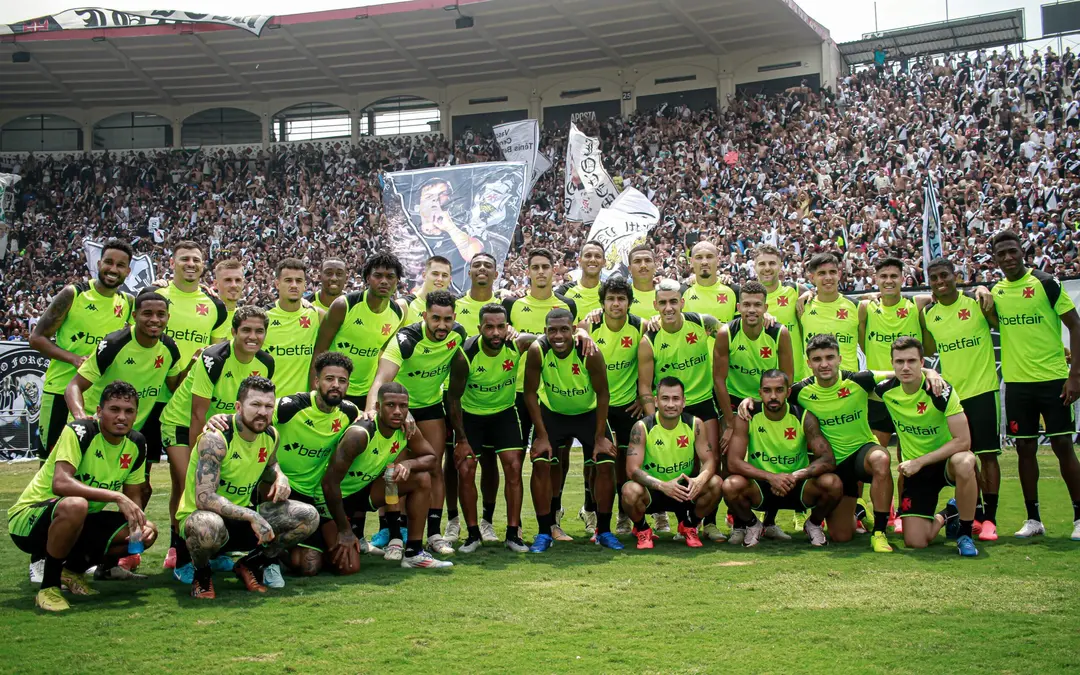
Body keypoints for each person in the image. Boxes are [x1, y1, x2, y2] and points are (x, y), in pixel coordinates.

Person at [739, 334, 945, 552]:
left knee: (881, 458)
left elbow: (902, 371)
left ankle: (879, 532)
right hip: (832, 465)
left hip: (861, 454)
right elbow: (773, 399)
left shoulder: (859, 380)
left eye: (830, 357)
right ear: (809, 364)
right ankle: (846, 514)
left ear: (839, 358)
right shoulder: (800, 391)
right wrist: (750, 401)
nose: (824, 364)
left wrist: (930, 371)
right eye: (817, 359)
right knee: (841, 536)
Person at [7, 382, 158, 611]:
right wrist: (115, 496)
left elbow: (133, 495)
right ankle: (48, 588)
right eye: (114, 409)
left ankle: (73, 571)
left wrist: (139, 525)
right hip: (29, 520)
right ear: (99, 412)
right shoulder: (80, 431)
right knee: (76, 505)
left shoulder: (136, 443)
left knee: (148, 531)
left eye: (129, 411)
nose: (121, 417)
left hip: (80, 521)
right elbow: (61, 482)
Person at [176, 376, 320, 599]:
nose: (262, 412)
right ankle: (202, 574)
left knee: (308, 516)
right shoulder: (216, 438)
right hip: (205, 518)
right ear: (238, 406)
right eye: (255, 405)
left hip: (243, 519)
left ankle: (250, 564)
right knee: (206, 526)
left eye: (268, 406)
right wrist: (252, 515)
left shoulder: (271, 435)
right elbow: (204, 497)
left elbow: (270, 464)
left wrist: (280, 476)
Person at [161, 306, 276, 582]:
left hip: (225, 428)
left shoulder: (266, 362)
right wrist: (196, 462)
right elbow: (197, 413)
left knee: (218, 487)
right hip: (182, 423)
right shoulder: (214, 358)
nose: (253, 336)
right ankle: (180, 552)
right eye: (246, 330)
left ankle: (217, 547)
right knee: (185, 484)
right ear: (233, 332)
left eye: (259, 331)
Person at [989, 230, 1080, 540]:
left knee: (1063, 447)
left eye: (1012, 251)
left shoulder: (1046, 283)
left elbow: (1075, 325)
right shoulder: (997, 292)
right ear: (995, 259)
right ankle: (1033, 519)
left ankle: (1079, 518)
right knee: (1024, 449)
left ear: (1021, 251)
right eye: (1001, 254)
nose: (1008, 258)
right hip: (1016, 384)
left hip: (1054, 380)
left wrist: (1075, 376)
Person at [367, 290, 468, 555]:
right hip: (399, 411)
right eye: (435, 318)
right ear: (424, 316)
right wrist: (372, 410)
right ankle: (395, 537)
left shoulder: (458, 335)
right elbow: (381, 379)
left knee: (434, 467)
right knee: (394, 472)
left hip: (431, 407)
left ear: (454, 318)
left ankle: (434, 534)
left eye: (447, 319)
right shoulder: (405, 339)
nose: (442, 325)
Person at [65, 291, 185, 511]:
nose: (154, 320)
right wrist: (81, 418)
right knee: (79, 493)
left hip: (130, 433)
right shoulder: (114, 343)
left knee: (142, 489)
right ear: (135, 314)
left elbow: (174, 386)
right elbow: (73, 386)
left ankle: (129, 535)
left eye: (161, 314)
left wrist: (191, 367)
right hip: (94, 429)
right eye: (147, 313)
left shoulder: (170, 348)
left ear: (168, 317)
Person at [322, 382, 453, 569]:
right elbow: (329, 484)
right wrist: (344, 530)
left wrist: (408, 464)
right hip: (333, 500)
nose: (398, 411)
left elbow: (431, 458)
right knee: (342, 567)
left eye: (403, 406)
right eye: (391, 405)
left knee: (421, 478)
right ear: (377, 407)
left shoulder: (405, 429)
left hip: (364, 493)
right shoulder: (360, 434)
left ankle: (414, 553)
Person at [154, 241, 229, 569]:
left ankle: (185, 546)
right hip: (154, 397)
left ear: (203, 266)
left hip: (195, 399)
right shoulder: (157, 297)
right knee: (147, 481)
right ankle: (133, 548)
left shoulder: (213, 306)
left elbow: (217, 355)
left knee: (191, 481)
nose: (190, 264)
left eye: (196, 260)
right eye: (183, 258)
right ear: (171, 263)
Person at [524, 308, 621, 552]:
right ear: (545, 331)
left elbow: (603, 394)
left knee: (606, 462)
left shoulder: (589, 351)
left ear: (573, 330)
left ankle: (604, 531)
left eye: (564, 329)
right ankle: (544, 532)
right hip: (553, 414)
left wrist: (599, 437)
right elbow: (529, 393)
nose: (558, 335)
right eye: (552, 330)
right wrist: (542, 436)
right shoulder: (538, 351)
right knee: (541, 462)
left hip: (587, 414)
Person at [921, 257, 1002, 541]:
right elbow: (929, 347)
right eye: (934, 278)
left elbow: (999, 323)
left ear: (956, 276)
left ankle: (990, 519)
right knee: (963, 458)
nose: (941, 282)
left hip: (982, 390)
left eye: (945, 275)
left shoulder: (976, 303)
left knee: (988, 455)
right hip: (953, 398)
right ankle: (973, 513)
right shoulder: (929, 314)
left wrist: (981, 288)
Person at [875, 337, 980, 556]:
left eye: (912, 361)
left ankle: (965, 534)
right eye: (899, 361)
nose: (905, 367)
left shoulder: (941, 391)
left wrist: (919, 461)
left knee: (965, 460)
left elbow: (963, 441)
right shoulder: (885, 390)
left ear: (922, 362)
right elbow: (851, 377)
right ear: (891, 364)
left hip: (945, 462)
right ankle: (949, 512)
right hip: (919, 472)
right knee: (916, 542)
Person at [31, 238, 134, 458]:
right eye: (108, 262)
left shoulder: (127, 303)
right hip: (61, 389)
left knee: (87, 462)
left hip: (99, 397)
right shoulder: (74, 294)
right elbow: (37, 338)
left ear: (128, 270)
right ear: (99, 264)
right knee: (50, 462)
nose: (113, 269)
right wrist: (74, 359)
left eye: (120, 265)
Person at [637, 278, 722, 539]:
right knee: (672, 461)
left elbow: (732, 333)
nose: (669, 307)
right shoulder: (648, 338)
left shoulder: (702, 322)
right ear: (655, 305)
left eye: (674, 301)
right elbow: (644, 387)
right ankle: (674, 516)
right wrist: (654, 423)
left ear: (682, 302)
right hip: (669, 408)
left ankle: (707, 523)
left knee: (710, 465)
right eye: (662, 303)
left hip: (702, 402)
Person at [447, 303, 535, 552]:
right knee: (466, 469)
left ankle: (512, 534)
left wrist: (581, 334)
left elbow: (545, 339)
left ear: (507, 327)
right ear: (479, 328)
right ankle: (473, 535)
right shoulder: (465, 354)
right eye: (489, 327)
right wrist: (461, 438)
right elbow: (453, 398)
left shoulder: (516, 344)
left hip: (505, 414)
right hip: (471, 417)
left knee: (514, 467)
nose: (496, 333)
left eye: (500, 326)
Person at [502, 248, 577, 538]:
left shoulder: (566, 304)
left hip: (552, 395)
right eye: (536, 267)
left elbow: (575, 335)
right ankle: (515, 524)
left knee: (555, 459)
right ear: (528, 271)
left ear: (553, 269)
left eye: (546, 266)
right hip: (517, 393)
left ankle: (552, 521)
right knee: (516, 461)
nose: (541, 271)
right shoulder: (513, 305)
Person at [723, 370, 842, 547]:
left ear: (788, 392)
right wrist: (771, 477)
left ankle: (814, 524)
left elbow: (827, 459)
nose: (773, 396)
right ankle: (753, 525)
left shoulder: (803, 417)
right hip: (762, 486)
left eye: (779, 390)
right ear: (760, 393)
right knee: (730, 485)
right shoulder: (748, 416)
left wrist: (795, 476)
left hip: (796, 484)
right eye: (767, 390)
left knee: (833, 483)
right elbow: (733, 462)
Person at [271, 351, 361, 578]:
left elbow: (375, 420)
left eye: (342, 381)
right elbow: (252, 418)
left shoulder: (349, 413)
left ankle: (314, 545)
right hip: (282, 494)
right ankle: (271, 554)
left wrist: (406, 418)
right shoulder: (289, 407)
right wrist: (219, 420)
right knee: (307, 566)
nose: (336, 385)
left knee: (348, 567)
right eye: (329, 379)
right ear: (316, 381)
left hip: (319, 499)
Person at [443, 252, 504, 545]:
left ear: (496, 273)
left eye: (487, 265)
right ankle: (453, 520)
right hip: (454, 395)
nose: (482, 269)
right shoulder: (457, 306)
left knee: (490, 459)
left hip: (498, 393)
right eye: (476, 265)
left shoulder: (507, 305)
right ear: (469, 272)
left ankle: (487, 521)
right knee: (453, 460)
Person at [621, 376, 722, 549]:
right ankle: (642, 529)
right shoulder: (642, 427)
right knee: (629, 490)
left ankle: (689, 526)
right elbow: (632, 470)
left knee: (716, 483)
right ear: (656, 401)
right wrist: (662, 485)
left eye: (676, 399)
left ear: (683, 402)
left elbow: (709, 461)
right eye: (665, 398)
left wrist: (700, 479)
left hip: (684, 490)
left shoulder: (695, 424)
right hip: (654, 489)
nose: (670, 404)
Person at [585, 276, 646, 535]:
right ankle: (591, 510)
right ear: (602, 302)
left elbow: (650, 362)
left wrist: (644, 397)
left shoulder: (640, 327)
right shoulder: (590, 326)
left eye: (621, 299)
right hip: (598, 406)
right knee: (597, 463)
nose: (616, 303)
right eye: (611, 298)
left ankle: (624, 514)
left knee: (627, 464)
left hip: (628, 407)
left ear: (630, 303)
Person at [313, 251, 407, 409]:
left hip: (366, 393)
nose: (384, 281)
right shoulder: (344, 305)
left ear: (397, 281)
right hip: (334, 389)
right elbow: (319, 350)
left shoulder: (398, 314)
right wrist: (315, 393)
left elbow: (382, 354)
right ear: (368, 278)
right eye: (378, 275)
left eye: (390, 277)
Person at [857, 257, 922, 449]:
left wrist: (980, 288)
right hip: (878, 391)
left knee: (911, 453)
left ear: (903, 278)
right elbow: (862, 342)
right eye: (883, 276)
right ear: (875, 279)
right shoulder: (866, 308)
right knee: (877, 455)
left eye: (894, 276)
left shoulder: (916, 305)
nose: (888, 280)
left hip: (910, 390)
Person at [264, 258, 322, 398]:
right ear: (277, 284)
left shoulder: (315, 315)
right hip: (269, 402)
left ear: (305, 285)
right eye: (288, 280)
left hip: (303, 405)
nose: (294, 285)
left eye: (299, 281)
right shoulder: (264, 317)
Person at [754, 244, 809, 381]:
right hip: (762, 378)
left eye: (772, 263)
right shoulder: (747, 295)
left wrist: (809, 294)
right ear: (755, 267)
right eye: (762, 264)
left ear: (780, 266)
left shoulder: (794, 290)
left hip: (795, 376)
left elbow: (821, 294)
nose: (767, 268)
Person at [799, 253, 859, 368]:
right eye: (822, 273)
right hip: (814, 383)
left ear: (839, 274)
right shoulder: (802, 306)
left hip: (849, 383)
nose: (828, 277)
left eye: (832, 272)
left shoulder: (856, 306)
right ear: (812, 277)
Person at [681, 241, 739, 321]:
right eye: (699, 257)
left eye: (709, 257)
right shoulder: (681, 293)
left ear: (718, 260)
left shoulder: (735, 291)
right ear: (691, 262)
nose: (704, 262)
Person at [557, 240, 606, 322]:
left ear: (604, 262)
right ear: (579, 261)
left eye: (597, 256)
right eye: (588, 255)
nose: (593, 260)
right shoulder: (563, 292)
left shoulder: (610, 292)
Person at [404, 255, 454, 323]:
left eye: (444, 275)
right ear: (424, 276)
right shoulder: (405, 305)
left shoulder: (454, 307)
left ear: (450, 280)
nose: (440, 279)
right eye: (435, 274)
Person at [212, 258, 245, 329]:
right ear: (215, 284)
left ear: (243, 284)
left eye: (238, 280)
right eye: (228, 280)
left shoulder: (245, 320)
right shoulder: (206, 315)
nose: (234, 285)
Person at [627, 244, 658, 319]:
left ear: (655, 266)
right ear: (629, 269)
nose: (643, 265)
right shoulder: (622, 295)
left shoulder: (668, 294)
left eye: (648, 260)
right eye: (637, 261)